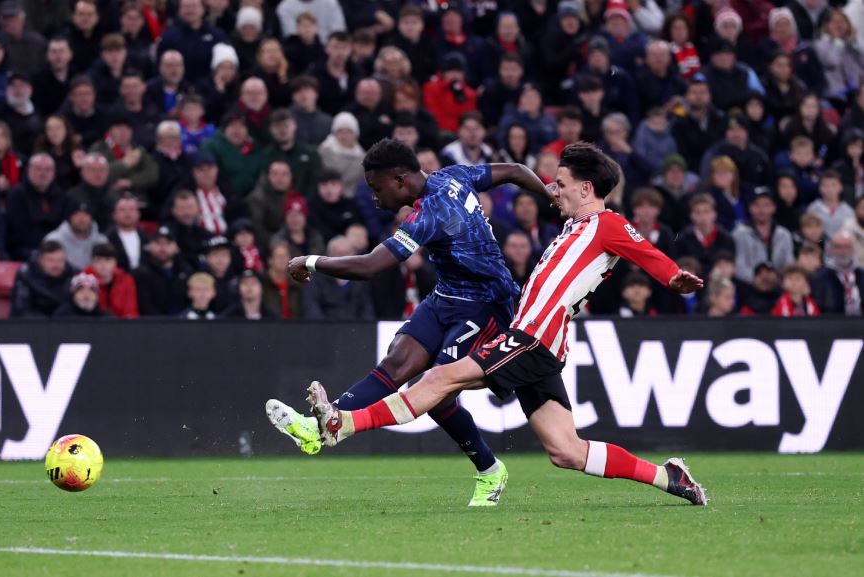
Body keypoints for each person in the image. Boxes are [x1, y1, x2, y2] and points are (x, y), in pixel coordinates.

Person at [293, 142, 708, 507]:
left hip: (530, 339)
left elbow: (645, 251)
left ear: (586, 188)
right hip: (540, 344)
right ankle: (668, 476)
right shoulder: (574, 226)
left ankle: (343, 422)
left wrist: (673, 276)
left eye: (560, 183)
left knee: (438, 380)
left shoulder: (607, 224)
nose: (553, 189)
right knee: (565, 450)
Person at [267, 138, 562, 506]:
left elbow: (372, 266)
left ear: (401, 179)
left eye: (377, 188)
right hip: (447, 295)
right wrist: (548, 191)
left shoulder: (428, 214)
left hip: (487, 304)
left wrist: (311, 261)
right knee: (397, 363)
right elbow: (516, 171)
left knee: (436, 393)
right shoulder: (454, 175)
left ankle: (490, 471)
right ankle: (321, 426)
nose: (374, 197)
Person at [6, 153, 66, 261]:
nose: (43, 173)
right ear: (29, 170)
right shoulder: (17, 194)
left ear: (54, 173)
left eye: (48, 170)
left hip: (54, 251)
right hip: (23, 250)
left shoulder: (60, 195)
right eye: (38, 169)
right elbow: (17, 231)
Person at [301, 235, 374, 320]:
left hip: (356, 329)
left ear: (355, 256)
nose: (343, 258)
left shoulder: (362, 279)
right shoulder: (315, 279)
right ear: (328, 256)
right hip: (325, 330)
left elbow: (367, 310)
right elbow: (311, 308)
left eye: (347, 253)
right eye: (338, 254)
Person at [733, 188, 795, 282]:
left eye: (766, 205)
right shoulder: (739, 234)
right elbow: (738, 266)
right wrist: (758, 280)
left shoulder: (784, 234)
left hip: (778, 287)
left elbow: (789, 265)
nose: (761, 210)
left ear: (773, 208)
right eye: (756, 205)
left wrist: (778, 281)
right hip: (748, 288)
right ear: (750, 208)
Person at [134, 225, 192, 316]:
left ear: (176, 247)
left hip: (183, 323)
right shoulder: (141, 273)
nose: (163, 248)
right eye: (158, 243)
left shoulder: (186, 271)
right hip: (152, 325)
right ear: (149, 246)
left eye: (168, 243)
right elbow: (144, 305)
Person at [10, 240, 74, 317]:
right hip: (34, 325)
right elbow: (21, 309)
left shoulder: (73, 276)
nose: (56, 265)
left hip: (65, 324)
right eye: (50, 260)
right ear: (40, 260)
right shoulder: (25, 276)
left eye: (60, 260)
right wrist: (49, 325)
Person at [44, 201, 108, 270]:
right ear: (69, 218)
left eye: (86, 214)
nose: (82, 219)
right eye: (77, 214)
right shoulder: (54, 240)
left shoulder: (101, 242)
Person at [84, 242, 138, 318]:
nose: (103, 264)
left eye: (108, 260)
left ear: (115, 262)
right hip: (93, 325)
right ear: (92, 262)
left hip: (122, 325)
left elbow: (130, 309)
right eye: (98, 260)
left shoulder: (126, 280)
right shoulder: (83, 280)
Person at [105, 194, 147, 271]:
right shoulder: (107, 239)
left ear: (138, 214)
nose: (128, 213)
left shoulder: (146, 238)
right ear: (114, 215)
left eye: (132, 209)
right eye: (122, 209)